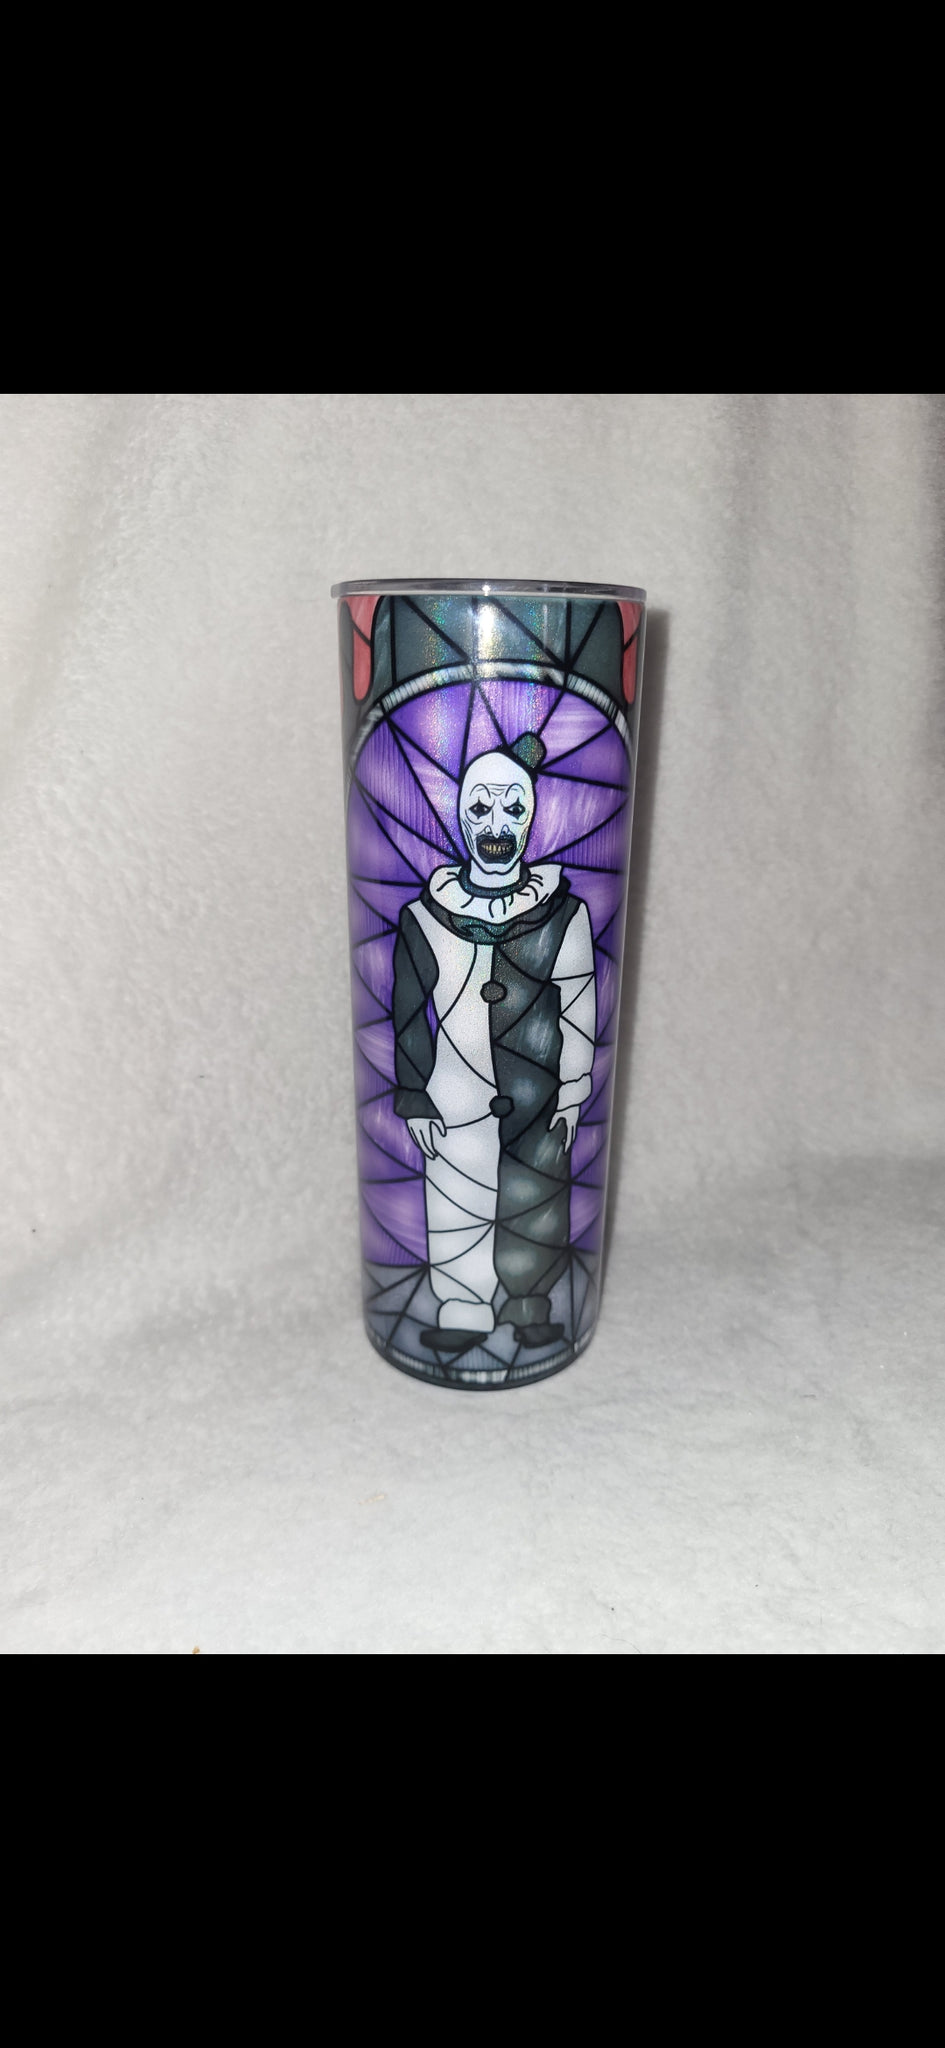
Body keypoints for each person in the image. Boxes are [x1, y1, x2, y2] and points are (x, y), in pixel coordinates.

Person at [391, 731, 596, 1355]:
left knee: (537, 1203)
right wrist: (414, 1097)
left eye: (513, 808)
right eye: (480, 807)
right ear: (461, 815)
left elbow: (579, 1008)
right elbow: (408, 1015)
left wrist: (574, 1091)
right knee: (456, 1202)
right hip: (454, 1102)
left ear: (530, 818)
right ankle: (463, 1309)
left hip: (538, 1100)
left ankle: (532, 1306)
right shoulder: (426, 917)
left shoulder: (564, 915)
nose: (496, 825)